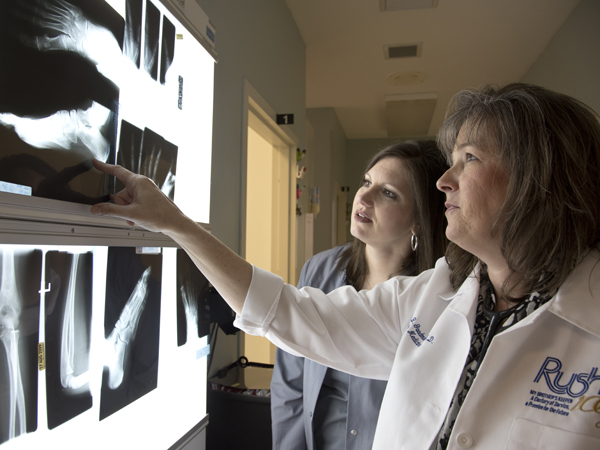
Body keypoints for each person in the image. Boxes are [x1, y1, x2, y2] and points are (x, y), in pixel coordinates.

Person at [91, 83, 600, 449]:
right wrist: (176, 223)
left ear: (539, 180)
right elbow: (288, 315)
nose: (445, 180)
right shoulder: (432, 297)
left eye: (469, 159)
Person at [271, 140, 448, 450]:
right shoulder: (319, 270)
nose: (363, 197)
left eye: (388, 192)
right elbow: (290, 382)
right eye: (367, 182)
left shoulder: (434, 296)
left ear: (419, 220)